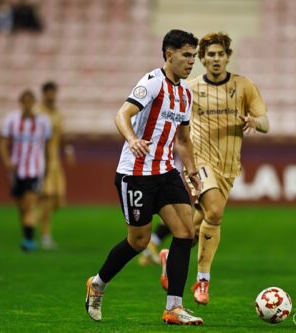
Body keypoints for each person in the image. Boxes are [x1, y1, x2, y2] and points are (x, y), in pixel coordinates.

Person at [84, 29, 203, 325]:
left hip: (165, 171)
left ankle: (173, 308)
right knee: (138, 241)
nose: (191, 62)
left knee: (186, 232)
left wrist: (192, 171)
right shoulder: (151, 83)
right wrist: (133, 139)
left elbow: (184, 140)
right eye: (186, 55)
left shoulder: (185, 93)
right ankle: (98, 283)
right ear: (169, 55)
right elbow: (121, 115)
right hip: (136, 174)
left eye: (194, 56)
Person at [158, 32, 269, 305]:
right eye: (210, 55)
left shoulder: (244, 87)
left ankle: (168, 258)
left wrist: (254, 121)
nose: (216, 59)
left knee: (194, 230)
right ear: (202, 60)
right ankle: (203, 281)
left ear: (228, 57)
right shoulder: (190, 88)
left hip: (229, 168)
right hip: (199, 163)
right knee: (216, 212)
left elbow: (266, 122)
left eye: (220, 54)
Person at [0, 90, 52, 251]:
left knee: (29, 204)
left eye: (30, 101)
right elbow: (2, 142)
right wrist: (7, 161)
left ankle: (29, 241)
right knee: (21, 207)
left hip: (35, 169)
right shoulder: (11, 120)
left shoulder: (43, 122)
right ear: (21, 102)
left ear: (34, 102)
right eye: (25, 101)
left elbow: (48, 146)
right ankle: (27, 237)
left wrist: (48, 166)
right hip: (16, 170)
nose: (28, 104)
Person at [35, 81, 74, 250]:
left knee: (57, 200)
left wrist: (68, 150)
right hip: (40, 159)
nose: (51, 96)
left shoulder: (57, 113)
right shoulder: (37, 113)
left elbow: (62, 135)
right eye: (49, 92)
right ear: (44, 94)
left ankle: (32, 220)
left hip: (54, 161)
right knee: (47, 199)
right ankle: (44, 235)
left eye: (53, 92)